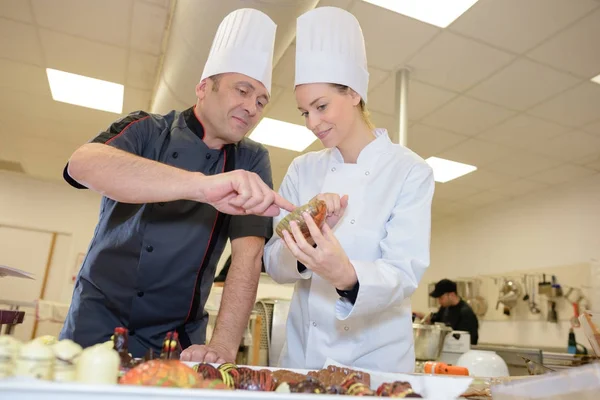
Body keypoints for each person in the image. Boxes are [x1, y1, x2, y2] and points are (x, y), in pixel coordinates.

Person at [60, 8, 294, 362]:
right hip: (95, 320)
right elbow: (81, 164)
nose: (252, 108)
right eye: (242, 91)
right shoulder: (146, 128)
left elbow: (248, 257)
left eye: (261, 101)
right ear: (203, 88)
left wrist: (225, 345)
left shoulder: (251, 159)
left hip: (175, 339)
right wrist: (202, 186)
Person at [262, 7, 435, 373]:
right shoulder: (303, 168)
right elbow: (273, 262)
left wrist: (345, 275)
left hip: (376, 365)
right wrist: (305, 238)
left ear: (354, 93)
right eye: (304, 112)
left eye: (321, 106)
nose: (312, 122)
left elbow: (403, 273)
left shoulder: (410, 171)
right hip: (301, 359)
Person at [427, 279, 479, 345]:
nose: (439, 302)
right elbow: (436, 320)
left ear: (451, 295)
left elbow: (468, 341)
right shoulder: (444, 308)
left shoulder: (465, 313)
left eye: (441, 298)